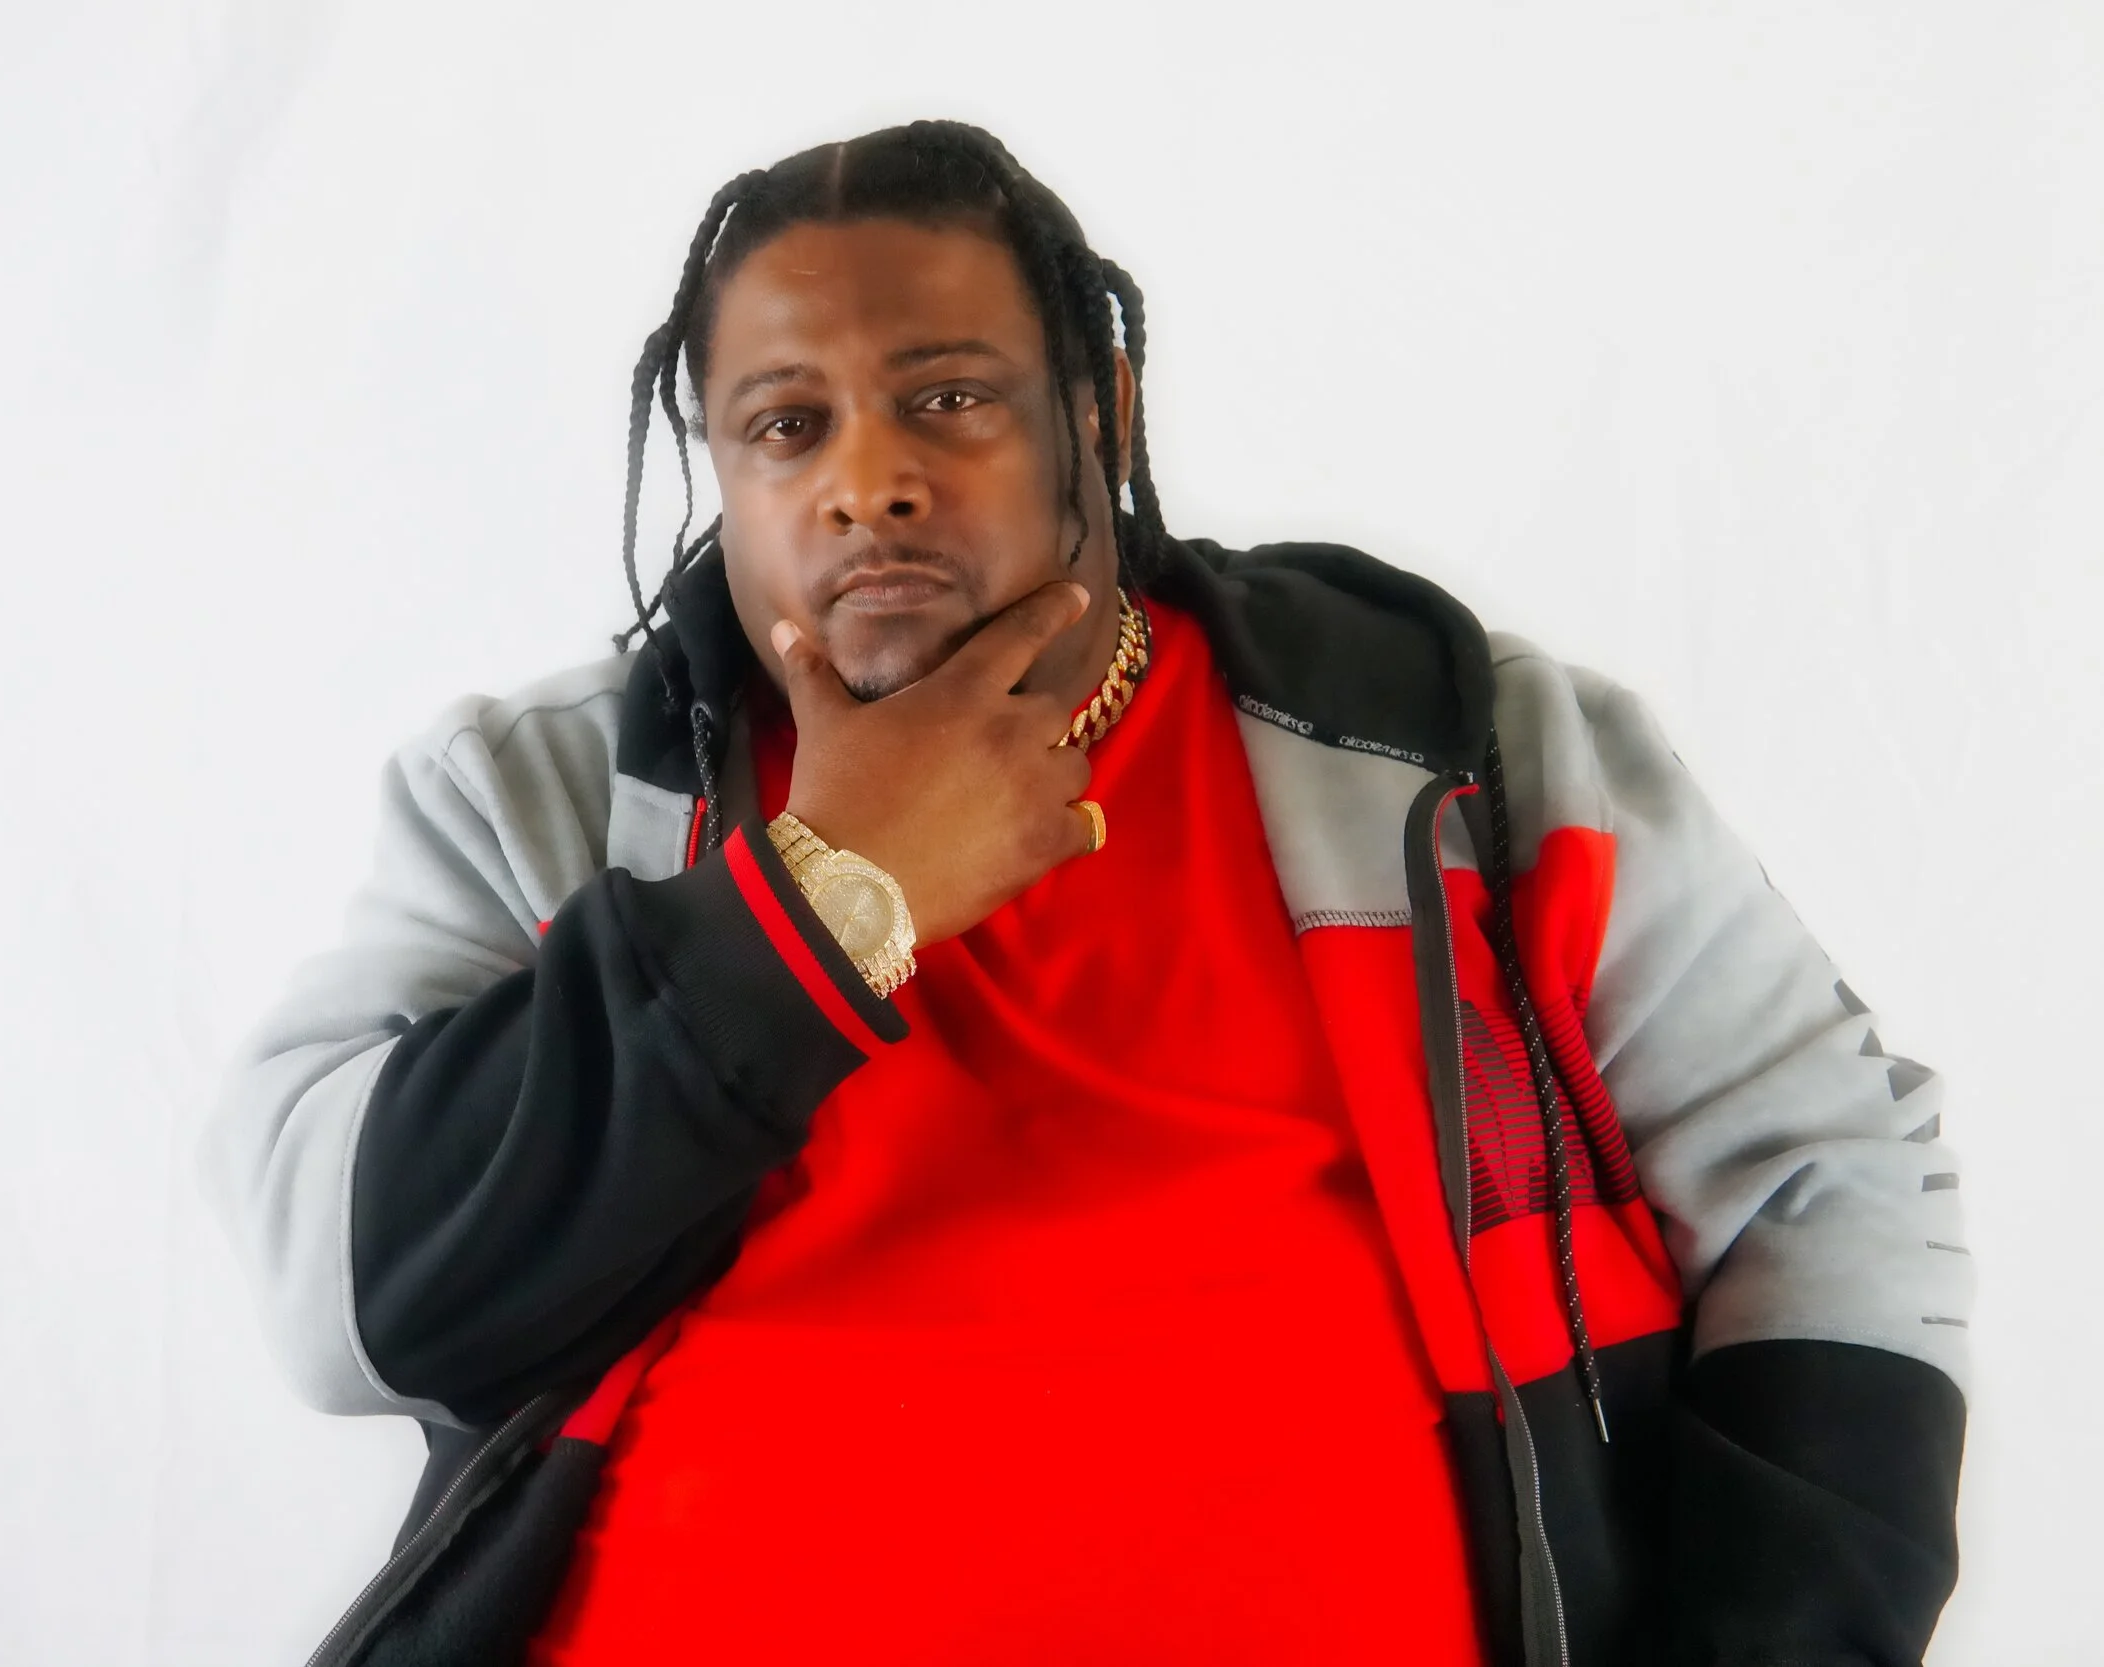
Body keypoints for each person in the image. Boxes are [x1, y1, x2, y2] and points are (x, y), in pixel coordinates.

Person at [198, 121, 1970, 1667]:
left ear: (1097, 409)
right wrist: (824, 896)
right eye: (787, 426)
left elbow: (1827, 1171)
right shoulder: (547, 795)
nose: (867, 481)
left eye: (946, 397)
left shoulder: (1448, 747)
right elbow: (339, 1292)